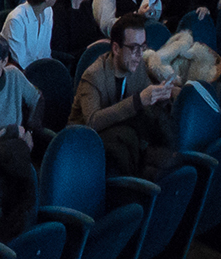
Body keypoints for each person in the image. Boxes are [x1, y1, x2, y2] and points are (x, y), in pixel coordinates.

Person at [72, 13, 178, 175]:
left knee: (169, 159)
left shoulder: (137, 66)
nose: (139, 55)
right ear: (116, 48)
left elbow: (147, 97)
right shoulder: (94, 75)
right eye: (134, 48)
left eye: (143, 47)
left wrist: (161, 95)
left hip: (123, 143)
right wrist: (138, 101)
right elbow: (92, 122)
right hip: (85, 147)